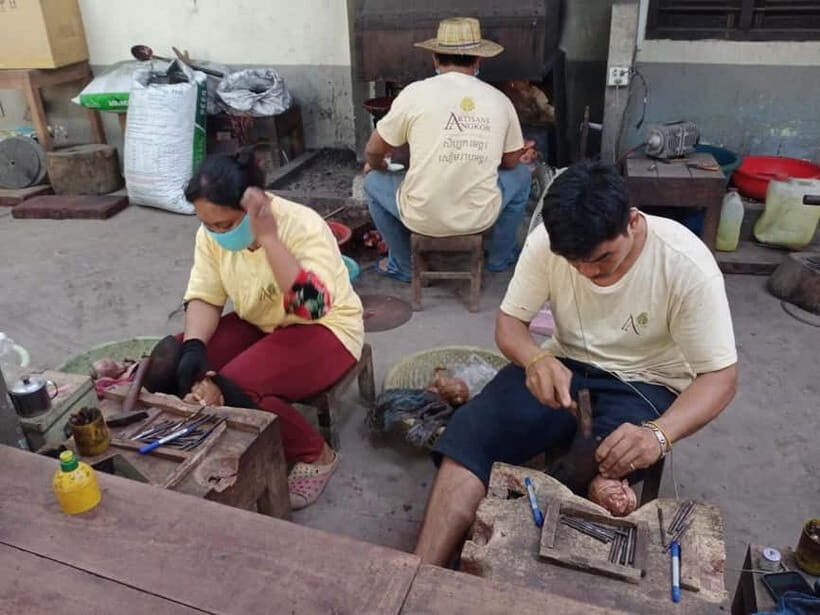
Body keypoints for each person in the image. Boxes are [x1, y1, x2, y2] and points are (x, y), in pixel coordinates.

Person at [414, 160, 739, 565]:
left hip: (645, 381)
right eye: (575, 263)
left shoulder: (685, 264)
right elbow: (510, 322)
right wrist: (534, 359)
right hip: (564, 362)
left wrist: (658, 436)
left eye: (602, 258)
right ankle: (418, 573)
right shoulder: (546, 243)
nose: (588, 273)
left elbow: (720, 377)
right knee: (472, 432)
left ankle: (564, 535)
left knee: (602, 465)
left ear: (632, 222)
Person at [178, 151, 364, 510]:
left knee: (235, 383)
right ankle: (239, 421)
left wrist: (270, 239)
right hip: (262, 323)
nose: (216, 233)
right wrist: (193, 347)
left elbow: (311, 307)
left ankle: (317, 455)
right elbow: (205, 294)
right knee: (172, 358)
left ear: (252, 208)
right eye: (208, 225)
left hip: (326, 330)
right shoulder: (210, 234)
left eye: (225, 224)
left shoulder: (301, 224)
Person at [363, 16, 532, 282]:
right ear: (478, 60)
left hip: (420, 217)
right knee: (522, 176)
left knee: (372, 183)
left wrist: (377, 165)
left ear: (435, 59)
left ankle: (404, 265)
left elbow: (374, 149)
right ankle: (500, 259)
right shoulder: (500, 100)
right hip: (479, 216)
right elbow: (512, 162)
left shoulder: (413, 93)